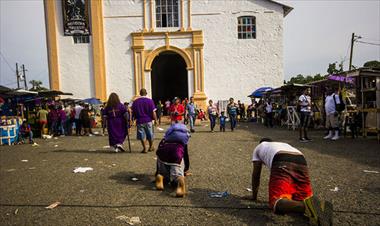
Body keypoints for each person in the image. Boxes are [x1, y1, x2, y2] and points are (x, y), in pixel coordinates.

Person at [250, 138, 332, 225]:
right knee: (302, 198)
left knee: (276, 203)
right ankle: (319, 210)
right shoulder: (282, 143)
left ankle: (308, 207)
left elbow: (256, 174)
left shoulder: (259, 147)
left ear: (261, 142)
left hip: (281, 159)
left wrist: (254, 197)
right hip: (301, 159)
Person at [155, 122, 190, 197]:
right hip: (176, 156)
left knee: (165, 175)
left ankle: (161, 176)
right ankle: (179, 181)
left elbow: (158, 153)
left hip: (162, 156)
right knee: (176, 176)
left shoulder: (164, 140)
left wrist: (157, 171)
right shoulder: (182, 143)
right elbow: (185, 156)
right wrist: (185, 169)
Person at [132, 88, 157, 153]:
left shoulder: (135, 102)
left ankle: (145, 148)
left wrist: (133, 120)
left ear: (140, 94)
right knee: (150, 134)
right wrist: (156, 120)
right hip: (148, 120)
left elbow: (133, 112)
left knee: (142, 135)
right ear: (146, 93)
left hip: (139, 120)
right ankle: (151, 146)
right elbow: (153, 112)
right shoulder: (150, 101)